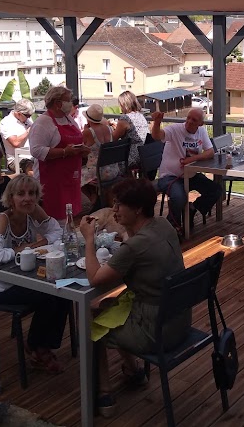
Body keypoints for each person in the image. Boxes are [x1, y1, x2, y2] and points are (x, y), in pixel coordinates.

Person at [80, 177, 187, 417]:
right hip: (178, 317)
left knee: (92, 326)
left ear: (137, 209)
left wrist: (88, 238)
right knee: (107, 305)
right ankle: (134, 370)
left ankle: (104, 393)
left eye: (119, 205)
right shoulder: (162, 225)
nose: (114, 211)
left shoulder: (135, 246)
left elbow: (95, 278)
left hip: (157, 329)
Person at [0, 175, 69, 372]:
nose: (27, 198)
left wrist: (36, 245)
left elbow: (57, 232)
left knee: (63, 289)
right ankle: (36, 346)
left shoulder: (32, 212)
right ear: (11, 197)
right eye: (21, 194)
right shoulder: (1, 220)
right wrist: (24, 249)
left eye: (32, 193)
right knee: (49, 295)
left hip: (24, 278)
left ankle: (42, 346)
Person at [151, 108, 221, 233]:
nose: (189, 121)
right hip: (170, 176)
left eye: (194, 120)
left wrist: (193, 159)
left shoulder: (201, 131)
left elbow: (210, 152)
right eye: (188, 118)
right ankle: (172, 228)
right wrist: (157, 122)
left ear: (200, 123)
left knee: (216, 190)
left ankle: (192, 208)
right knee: (179, 197)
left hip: (191, 175)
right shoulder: (175, 129)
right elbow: (157, 135)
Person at [28, 86, 90, 220]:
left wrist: (82, 150)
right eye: (68, 100)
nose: (71, 104)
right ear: (57, 103)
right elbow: (36, 150)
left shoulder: (68, 119)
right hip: (52, 180)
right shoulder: (42, 123)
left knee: (70, 215)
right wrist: (64, 152)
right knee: (57, 218)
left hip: (70, 177)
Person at [81, 104, 121, 204]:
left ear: (88, 119)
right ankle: (95, 196)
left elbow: (82, 151)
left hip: (98, 172)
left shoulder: (88, 132)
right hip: (113, 170)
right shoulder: (109, 129)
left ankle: (91, 199)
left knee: (75, 176)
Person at [112, 91, 148, 171]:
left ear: (124, 104)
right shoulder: (140, 115)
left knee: (109, 160)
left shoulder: (125, 118)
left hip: (132, 155)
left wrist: (111, 128)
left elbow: (113, 139)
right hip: (144, 152)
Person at [0, 99, 34, 171]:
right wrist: (28, 131)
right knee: (31, 167)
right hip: (17, 158)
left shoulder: (27, 120)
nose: (29, 118)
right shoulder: (7, 123)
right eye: (27, 115)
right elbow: (15, 143)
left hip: (32, 154)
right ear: (18, 113)